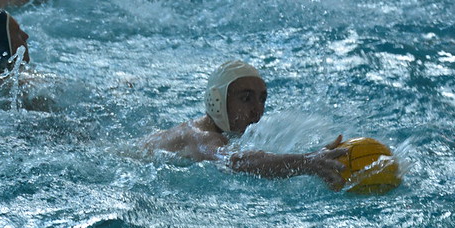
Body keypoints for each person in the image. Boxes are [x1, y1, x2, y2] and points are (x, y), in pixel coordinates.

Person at [144, 60, 348, 189]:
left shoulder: (221, 132)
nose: (256, 109)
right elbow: (235, 162)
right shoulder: (201, 136)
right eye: (246, 98)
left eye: (262, 99)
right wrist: (307, 162)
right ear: (217, 100)